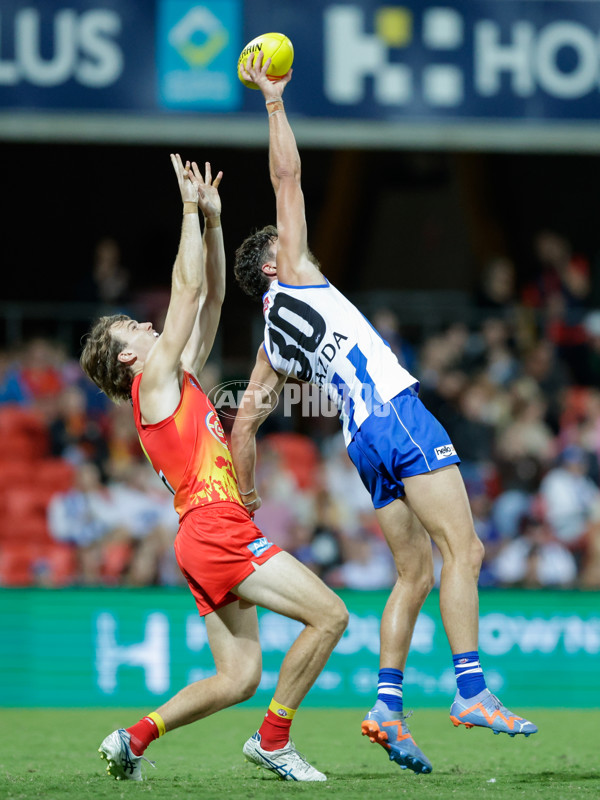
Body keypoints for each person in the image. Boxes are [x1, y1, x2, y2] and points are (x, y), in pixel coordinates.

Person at [231, 54, 538, 776]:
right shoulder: (298, 271)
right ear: (273, 265)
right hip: (396, 415)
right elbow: (287, 177)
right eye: (282, 243)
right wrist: (274, 104)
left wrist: (246, 497)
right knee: (465, 552)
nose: (292, 239)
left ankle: (387, 706)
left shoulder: (270, 342)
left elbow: (243, 424)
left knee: (414, 576)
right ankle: (470, 690)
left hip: (360, 442)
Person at [80, 154, 347, 782]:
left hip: (203, 533)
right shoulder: (152, 386)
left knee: (239, 676)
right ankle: (274, 742)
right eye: (134, 327)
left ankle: (133, 739)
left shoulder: (174, 380)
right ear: (126, 356)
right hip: (215, 529)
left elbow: (216, 296)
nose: (147, 324)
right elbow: (188, 290)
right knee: (331, 615)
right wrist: (187, 211)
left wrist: (216, 223)